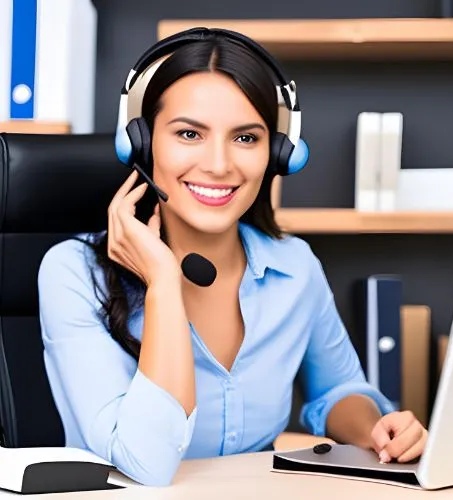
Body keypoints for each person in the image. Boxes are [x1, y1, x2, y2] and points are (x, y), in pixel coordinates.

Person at [37, 28, 427, 487]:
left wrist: (374, 430)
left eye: (245, 138)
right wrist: (163, 282)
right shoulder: (73, 273)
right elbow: (146, 463)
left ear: (278, 153)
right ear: (141, 143)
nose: (220, 164)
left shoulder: (295, 266)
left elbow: (338, 391)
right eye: (188, 133)